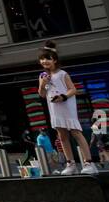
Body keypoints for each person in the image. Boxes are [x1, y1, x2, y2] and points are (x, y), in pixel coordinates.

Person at [38, 41, 98, 175]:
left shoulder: (62, 74)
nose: (44, 61)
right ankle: (70, 164)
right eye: (42, 59)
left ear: (54, 59)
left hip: (66, 106)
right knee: (62, 136)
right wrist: (42, 84)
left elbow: (73, 89)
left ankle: (89, 162)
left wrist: (63, 97)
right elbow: (42, 94)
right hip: (54, 109)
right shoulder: (43, 76)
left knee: (76, 132)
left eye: (48, 58)